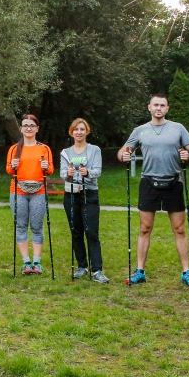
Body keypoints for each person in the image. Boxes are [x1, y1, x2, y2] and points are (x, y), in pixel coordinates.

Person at [118, 94, 189, 287]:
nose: (159, 108)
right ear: (149, 107)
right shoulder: (140, 131)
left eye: (162, 105)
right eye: (156, 105)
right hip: (149, 183)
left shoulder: (178, 128)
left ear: (167, 109)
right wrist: (124, 157)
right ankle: (140, 271)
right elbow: (123, 152)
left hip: (173, 182)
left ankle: (186, 272)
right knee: (145, 228)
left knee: (179, 229)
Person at [6, 114, 56, 275]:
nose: (28, 128)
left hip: (38, 191)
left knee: (36, 227)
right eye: (25, 125)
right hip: (18, 191)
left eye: (32, 125)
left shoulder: (44, 148)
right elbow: (8, 170)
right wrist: (12, 166)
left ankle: (37, 262)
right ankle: (26, 262)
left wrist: (46, 166)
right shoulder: (14, 149)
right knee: (20, 226)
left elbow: (49, 170)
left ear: (37, 129)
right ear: (21, 128)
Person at [61, 118, 108, 283]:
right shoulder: (66, 153)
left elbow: (97, 171)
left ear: (86, 131)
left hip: (89, 194)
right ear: (71, 132)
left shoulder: (94, 150)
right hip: (72, 194)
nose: (79, 132)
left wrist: (87, 172)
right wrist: (69, 174)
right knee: (76, 231)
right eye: (76, 129)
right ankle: (82, 266)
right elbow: (63, 174)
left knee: (92, 232)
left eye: (82, 129)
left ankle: (97, 270)